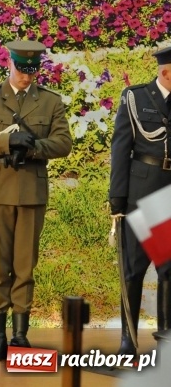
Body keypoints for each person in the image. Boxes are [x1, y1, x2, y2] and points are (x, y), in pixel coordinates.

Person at [0, 39, 71, 362]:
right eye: (21, 70)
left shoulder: (49, 102)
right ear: (8, 64)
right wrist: (6, 141)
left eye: (32, 71)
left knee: (25, 265)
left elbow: (63, 143)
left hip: (31, 190)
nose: (26, 77)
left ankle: (20, 334)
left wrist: (33, 148)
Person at [109, 46, 171, 355]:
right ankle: (128, 338)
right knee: (133, 269)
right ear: (166, 72)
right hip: (142, 193)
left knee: (168, 270)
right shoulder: (136, 97)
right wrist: (117, 199)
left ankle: (167, 338)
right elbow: (121, 149)